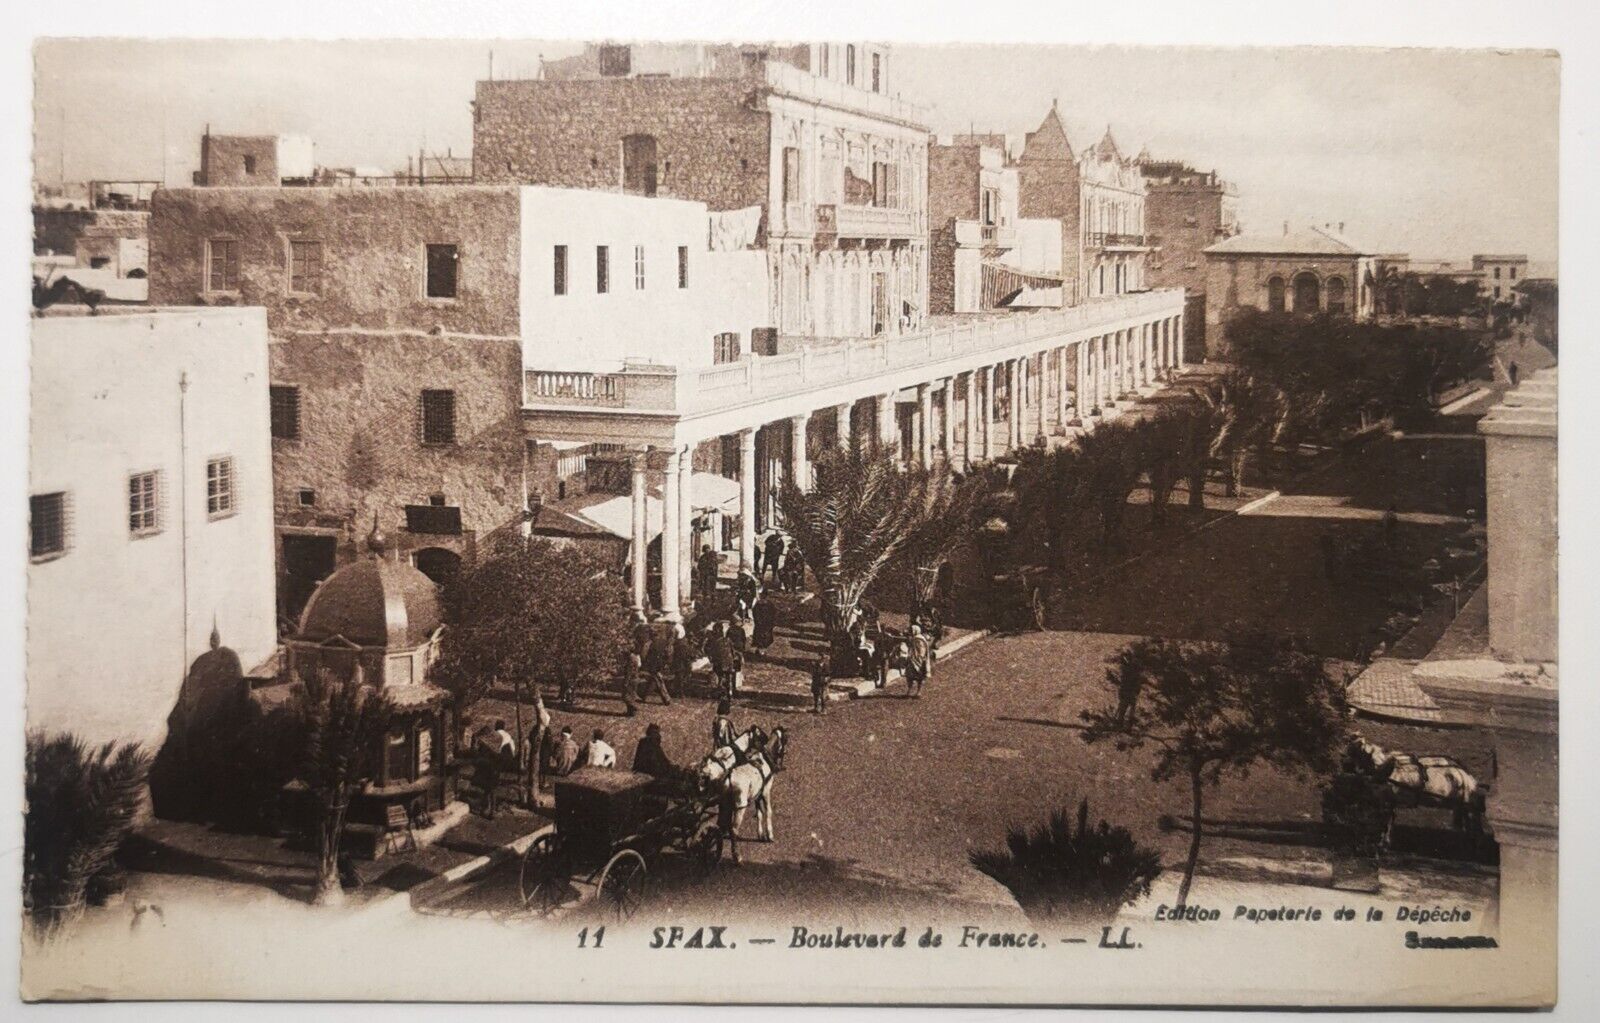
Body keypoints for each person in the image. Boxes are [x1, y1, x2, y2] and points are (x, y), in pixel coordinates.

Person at [706, 622, 735, 696]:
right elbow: (732, 651)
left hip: (719, 662)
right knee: (729, 676)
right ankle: (729, 690)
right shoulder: (728, 640)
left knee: (720, 676)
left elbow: (711, 652)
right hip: (729, 661)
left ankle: (719, 688)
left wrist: (711, 659)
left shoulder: (714, 641)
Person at [904, 624, 931, 698]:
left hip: (918, 661)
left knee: (919, 677)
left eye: (911, 630)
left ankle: (918, 692)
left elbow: (921, 651)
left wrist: (917, 658)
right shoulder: (914, 638)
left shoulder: (919, 639)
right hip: (912, 660)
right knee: (909, 676)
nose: (910, 632)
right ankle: (909, 691)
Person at [620, 646, 641, 717]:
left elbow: (629, 672)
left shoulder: (631, 659)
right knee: (631, 696)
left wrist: (626, 682)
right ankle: (630, 713)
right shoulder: (635, 657)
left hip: (631, 679)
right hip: (635, 678)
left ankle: (634, 707)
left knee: (626, 696)